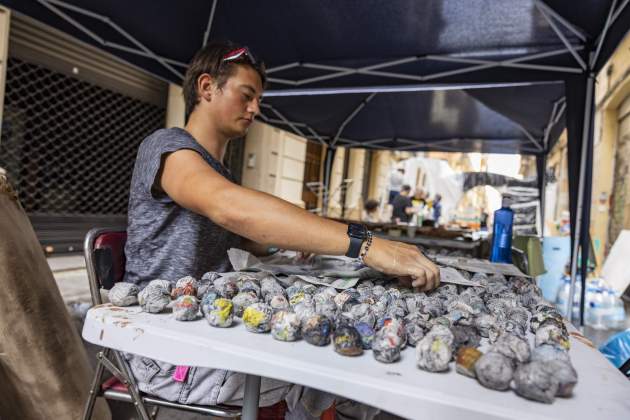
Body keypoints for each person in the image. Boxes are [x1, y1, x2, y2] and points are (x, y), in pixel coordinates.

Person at [123, 41, 439, 419]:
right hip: (167, 348)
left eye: (257, 99)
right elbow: (229, 207)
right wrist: (364, 244)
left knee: (347, 341)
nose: (255, 109)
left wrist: (289, 244)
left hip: (211, 326)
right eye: (247, 95)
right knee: (334, 364)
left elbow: (248, 232)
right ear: (207, 88)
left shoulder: (218, 172)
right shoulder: (167, 147)